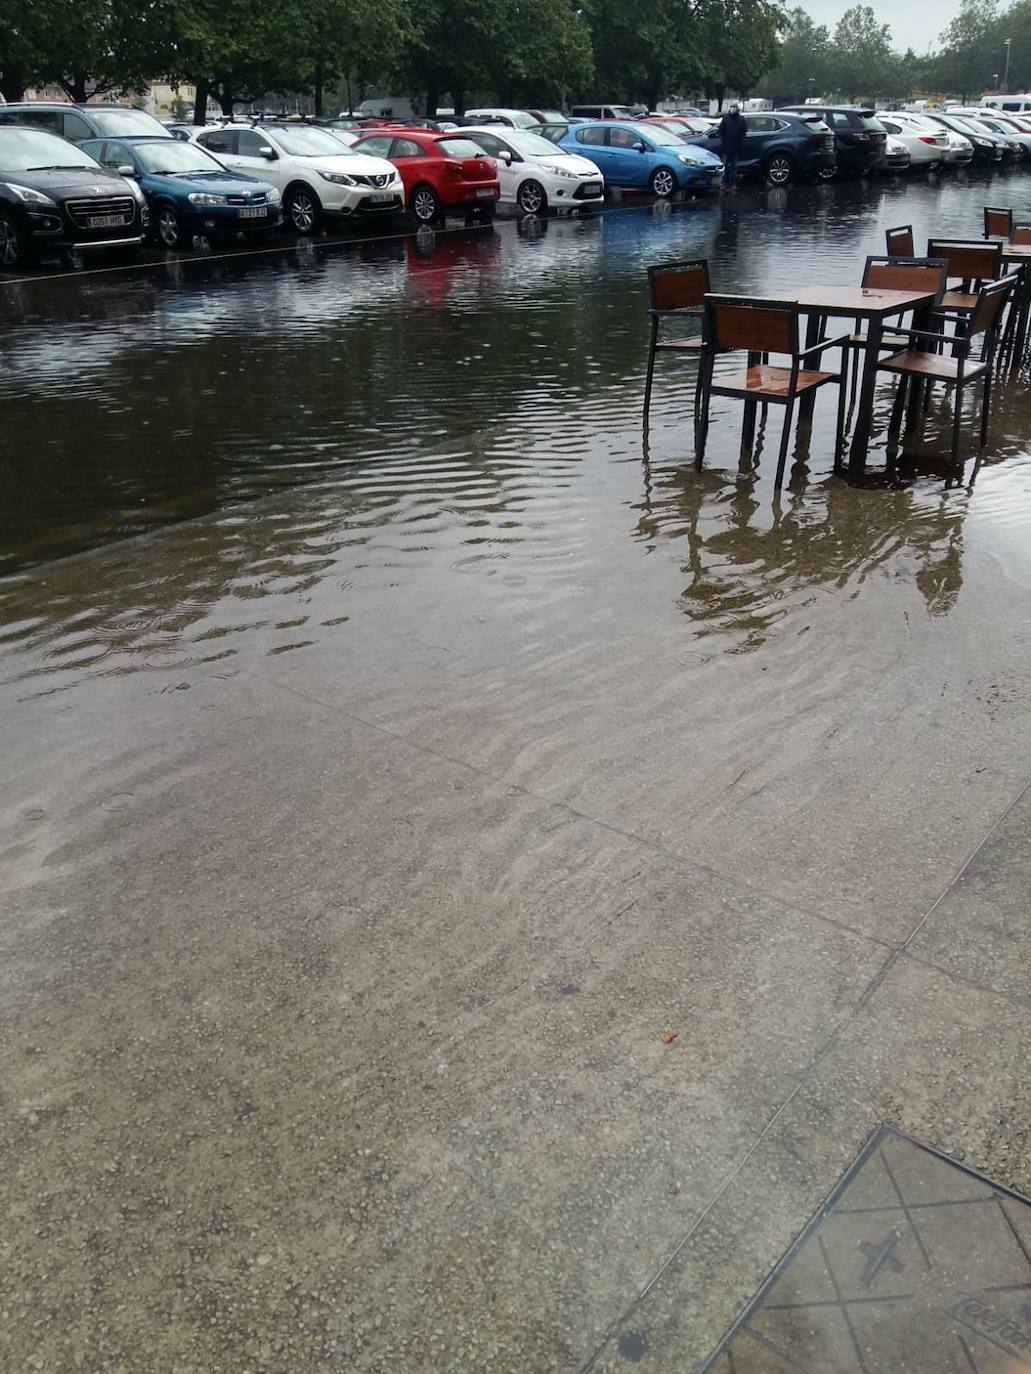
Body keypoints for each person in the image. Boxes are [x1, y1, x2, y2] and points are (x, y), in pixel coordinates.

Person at [718, 103, 747, 191]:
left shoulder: (741, 119)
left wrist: (739, 145)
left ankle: (733, 184)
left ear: (737, 109)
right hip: (726, 147)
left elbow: (743, 133)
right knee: (726, 166)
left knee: (734, 167)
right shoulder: (726, 118)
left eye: (734, 107)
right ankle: (724, 183)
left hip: (736, 147)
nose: (732, 109)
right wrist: (724, 141)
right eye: (731, 107)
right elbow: (721, 131)